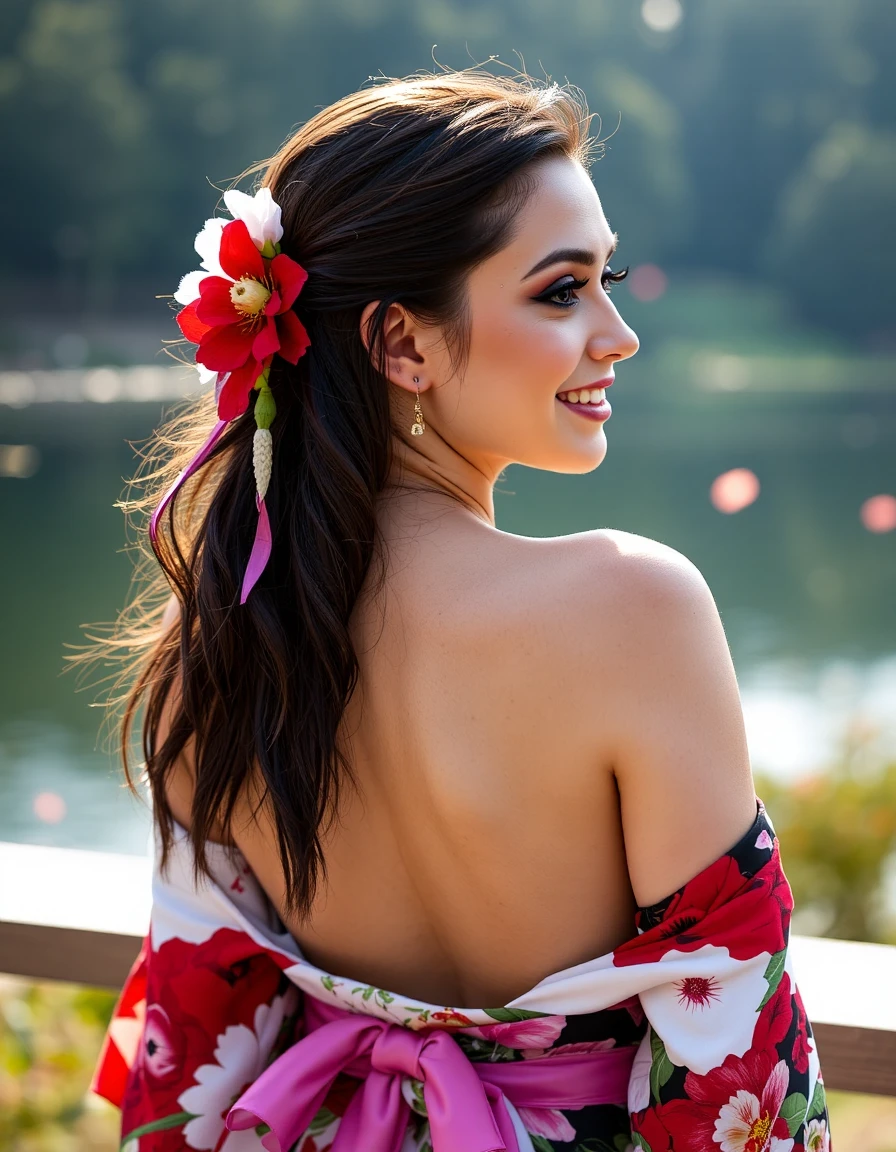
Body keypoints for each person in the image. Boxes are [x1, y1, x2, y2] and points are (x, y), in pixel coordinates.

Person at [91, 69, 831, 1152]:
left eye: (605, 278)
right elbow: (737, 1076)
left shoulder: (215, 647)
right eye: (560, 290)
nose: (616, 334)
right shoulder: (633, 610)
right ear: (401, 345)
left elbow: (195, 1052)